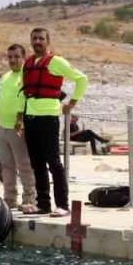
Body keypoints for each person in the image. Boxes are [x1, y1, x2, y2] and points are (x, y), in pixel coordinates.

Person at [22, 27, 88, 217]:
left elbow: (82, 79)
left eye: (41, 38)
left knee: (53, 162)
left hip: (49, 118)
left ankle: (63, 205)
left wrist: (72, 103)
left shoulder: (56, 61)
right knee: (37, 162)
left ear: (48, 41)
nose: (37, 41)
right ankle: (43, 204)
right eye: (34, 38)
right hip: (30, 117)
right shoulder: (28, 63)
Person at [0, 44, 37, 213]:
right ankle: (9, 198)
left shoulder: (27, 76)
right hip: (2, 126)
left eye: (16, 57)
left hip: (18, 127)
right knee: (6, 165)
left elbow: (25, 100)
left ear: (23, 58)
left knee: (24, 164)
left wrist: (20, 120)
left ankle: (29, 198)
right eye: (10, 57)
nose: (12, 60)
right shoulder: (5, 77)